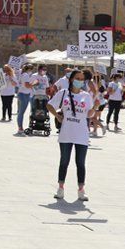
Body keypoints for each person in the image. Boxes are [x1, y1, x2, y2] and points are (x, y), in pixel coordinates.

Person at [47, 70, 93, 202]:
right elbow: (49, 105)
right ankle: (60, 188)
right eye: (77, 78)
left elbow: (89, 114)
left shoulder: (86, 96)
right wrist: (57, 116)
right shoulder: (63, 93)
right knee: (64, 161)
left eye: (82, 79)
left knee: (80, 163)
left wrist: (95, 108)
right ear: (72, 79)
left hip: (82, 134)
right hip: (66, 133)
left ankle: (81, 190)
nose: (80, 81)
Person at [16, 64, 34, 134]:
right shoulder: (26, 75)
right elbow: (27, 85)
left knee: (20, 112)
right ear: (29, 69)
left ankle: (20, 127)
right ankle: (20, 128)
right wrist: (34, 84)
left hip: (23, 93)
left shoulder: (22, 74)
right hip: (24, 94)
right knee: (21, 112)